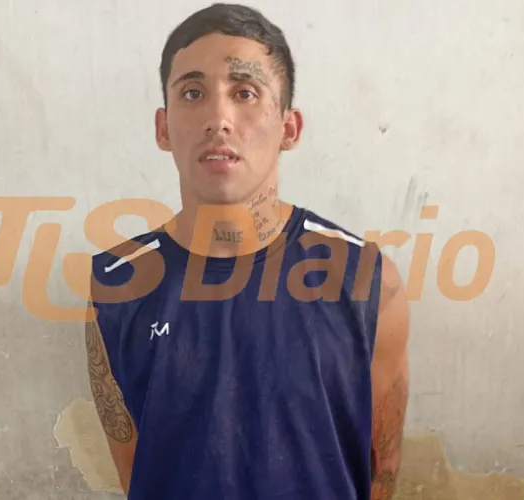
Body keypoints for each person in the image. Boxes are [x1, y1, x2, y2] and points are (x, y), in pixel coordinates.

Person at [84, 3, 410, 499]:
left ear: (289, 128)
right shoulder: (115, 287)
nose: (219, 119)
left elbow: (381, 468)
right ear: (164, 128)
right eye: (193, 93)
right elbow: (139, 474)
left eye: (245, 92)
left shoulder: (368, 281)